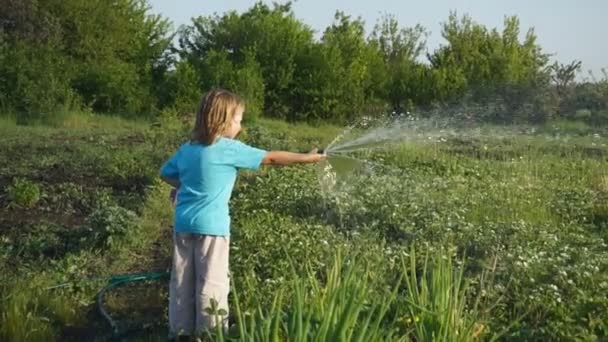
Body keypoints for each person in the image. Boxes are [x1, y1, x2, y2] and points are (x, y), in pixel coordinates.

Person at [159, 89, 325, 338]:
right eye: (238, 119)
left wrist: (181, 187)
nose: (240, 125)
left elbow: (165, 173)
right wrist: (308, 158)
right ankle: (210, 335)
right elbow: (271, 158)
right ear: (222, 121)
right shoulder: (228, 148)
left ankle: (179, 333)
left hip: (183, 225)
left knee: (182, 281)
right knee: (211, 285)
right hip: (212, 229)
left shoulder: (188, 148)